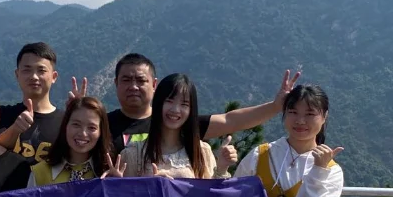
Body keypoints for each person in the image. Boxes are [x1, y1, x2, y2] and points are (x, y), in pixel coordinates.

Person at [107, 53, 302, 153]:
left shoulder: (177, 122)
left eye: (141, 80)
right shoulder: (101, 125)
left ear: (154, 84)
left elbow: (230, 121)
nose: (133, 86)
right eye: (126, 80)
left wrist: (275, 106)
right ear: (116, 83)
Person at [120, 74, 237, 179]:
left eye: (184, 104)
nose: (175, 110)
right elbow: (126, 194)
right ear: (158, 103)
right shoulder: (134, 154)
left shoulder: (201, 151)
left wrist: (222, 167)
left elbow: (212, 194)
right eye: (169, 101)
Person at [28, 96, 123, 187]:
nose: (83, 133)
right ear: (65, 126)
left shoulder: (108, 174)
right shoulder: (40, 173)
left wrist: (117, 188)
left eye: (92, 128)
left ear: (101, 132)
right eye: (76, 125)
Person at [0, 42, 63, 165]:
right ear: (17, 74)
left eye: (41, 70)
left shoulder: (65, 122)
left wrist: (81, 113)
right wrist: (15, 129)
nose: (34, 77)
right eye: (27, 70)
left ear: (54, 76)